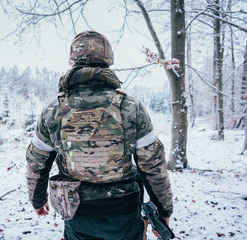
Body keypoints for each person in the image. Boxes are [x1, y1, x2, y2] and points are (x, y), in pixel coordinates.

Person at [26, 30, 173, 240]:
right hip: (124, 210)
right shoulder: (131, 107)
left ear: (73, 59)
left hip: (76, 210)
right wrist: (164, 210)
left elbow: (36, 162)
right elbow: (153, 164)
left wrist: (37, 200)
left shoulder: (54, 110)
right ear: (108, 58)